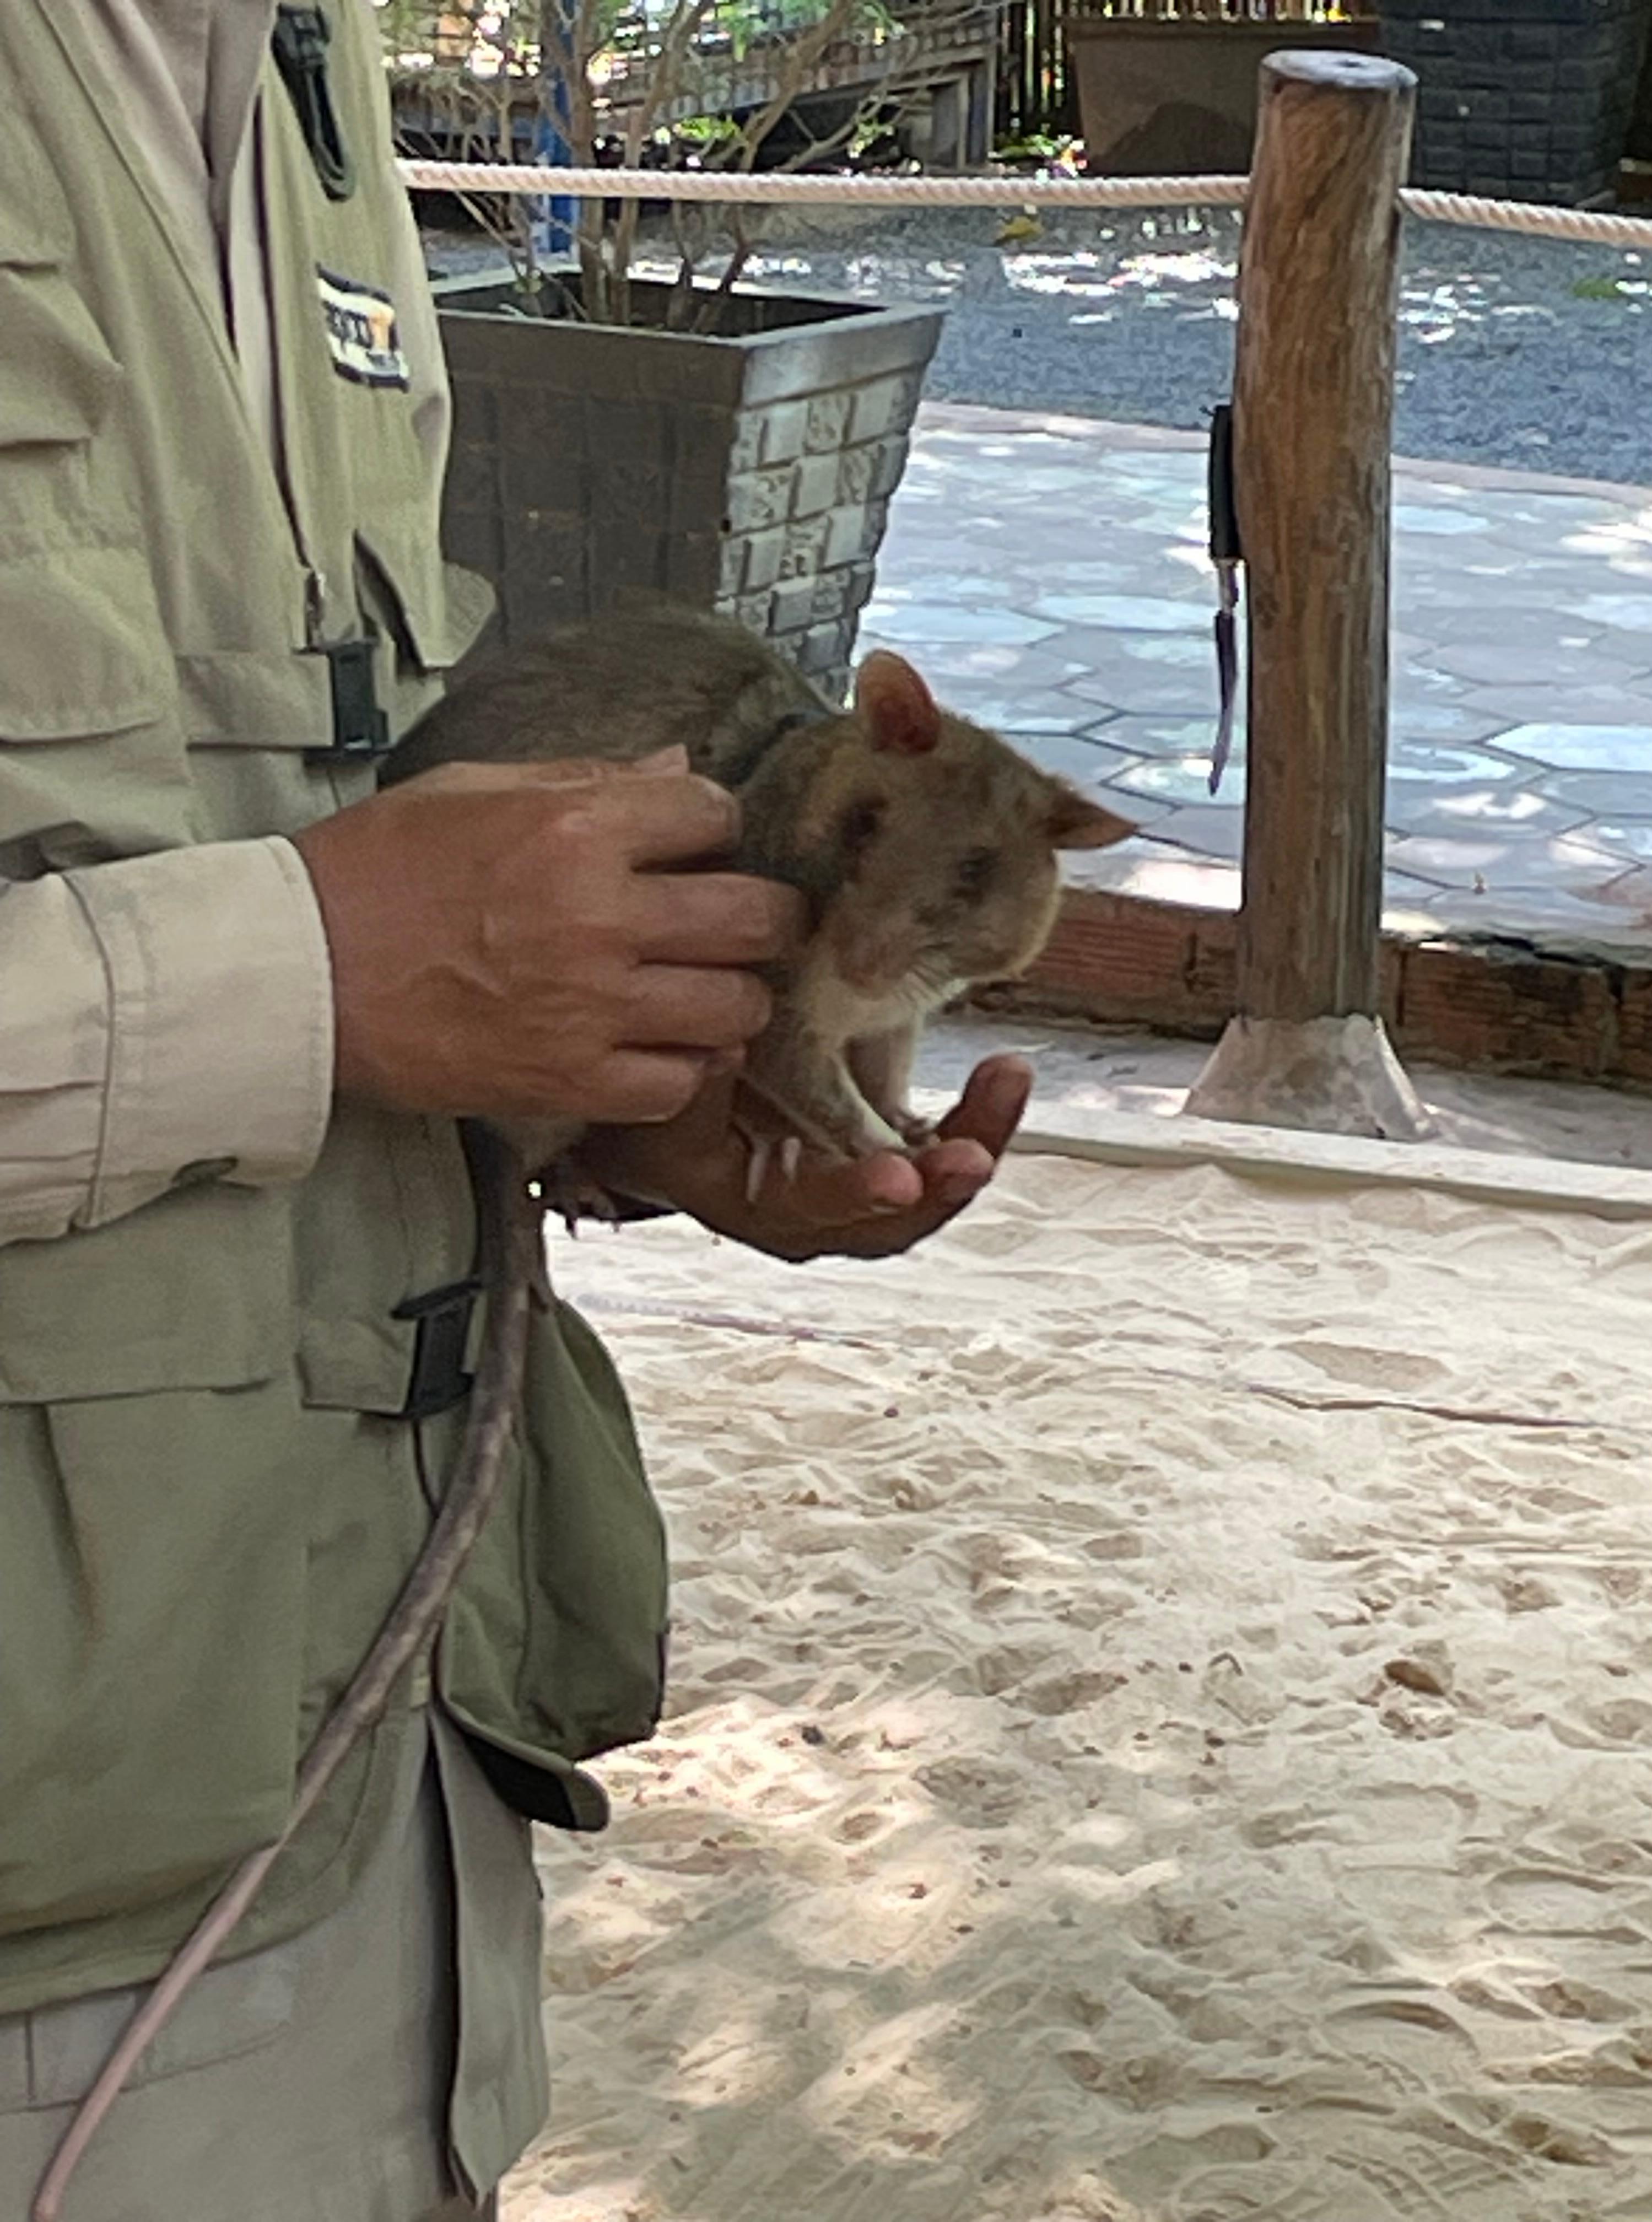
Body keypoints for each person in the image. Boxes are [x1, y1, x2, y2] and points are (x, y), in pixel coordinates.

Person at [0, 6, 1029, 2218]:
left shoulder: (299, 63)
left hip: (373, 1810)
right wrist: (318, 978)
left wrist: (577, 1090)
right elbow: (306, 947)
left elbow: (282, 827)